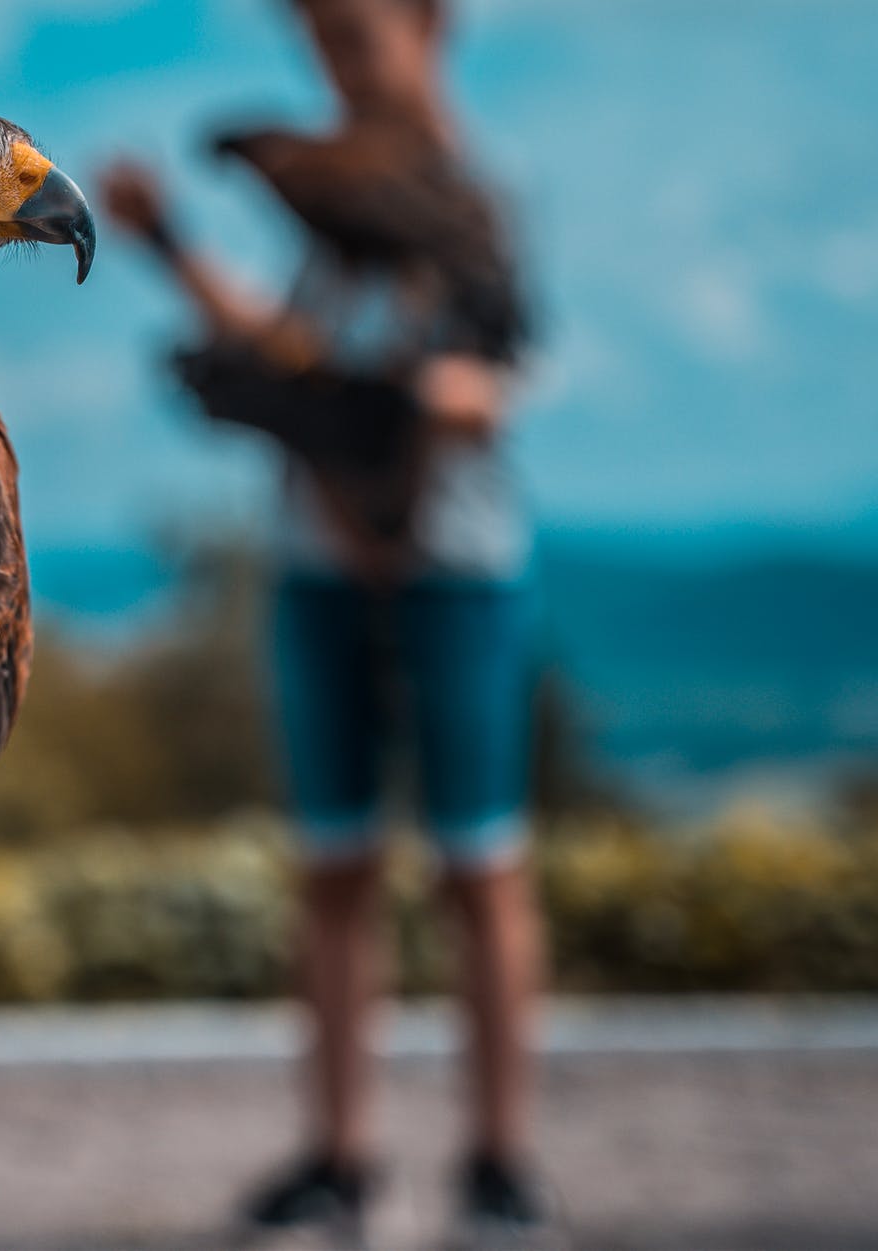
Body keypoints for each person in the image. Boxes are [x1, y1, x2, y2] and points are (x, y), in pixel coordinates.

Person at [101, 0, 551, 1243]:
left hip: (453, 567)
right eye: (317, 44)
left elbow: (488, 379)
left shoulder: (468, 196)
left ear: (429, 31)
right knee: (334, 863)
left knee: (477, 862)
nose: (332, 66)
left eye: (353, 37)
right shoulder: (328, 202)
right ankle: (339, 1159)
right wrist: (170, 248)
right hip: (315, 567)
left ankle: (498, 1165)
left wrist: (372, 412)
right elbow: (294, 346)